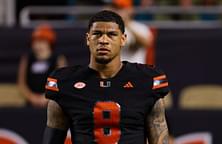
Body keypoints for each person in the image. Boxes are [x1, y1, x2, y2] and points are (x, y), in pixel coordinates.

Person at [43, 10, 169, 144]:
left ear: (123, 39)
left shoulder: (145, 80)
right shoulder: (66, 82)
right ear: (88, 39)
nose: (103, 40)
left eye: (111, 34)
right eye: (97, 34)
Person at [18, 24, 67, 108]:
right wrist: (31, 97)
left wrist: (46, 97)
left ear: (49, 43)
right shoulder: (27, 59)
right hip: (30, 103)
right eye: (36, 42)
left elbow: (61, 82)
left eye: (42, 42)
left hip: (51, 103)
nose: (38, 45)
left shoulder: (58, 59)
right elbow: (22, 83)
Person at [104, 0, 154, 64]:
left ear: (130, 10)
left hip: (135, 70)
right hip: (112, 72)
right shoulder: (105, 28)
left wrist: (126, 24)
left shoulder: (140, 27)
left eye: (120, 8)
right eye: (114, 8)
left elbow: (147, 43)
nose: (116, 11)